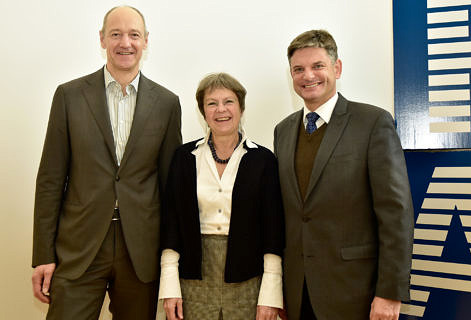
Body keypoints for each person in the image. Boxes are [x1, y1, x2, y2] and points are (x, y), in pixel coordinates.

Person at [31, 6, 182, 319]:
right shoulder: (69, 96)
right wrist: (43, 256)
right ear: (102, 39)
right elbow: (50, 180)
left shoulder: (167, 103)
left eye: (133, 34)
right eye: (116, 34)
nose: (125, 42)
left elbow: (170, 187)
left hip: (140, 251)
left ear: (146, 41)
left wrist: (171, 262)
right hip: (79, 247)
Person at [274, 29, 414, 320]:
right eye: (298, 69)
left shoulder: (372, 123)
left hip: (356, 293)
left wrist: (389, 293)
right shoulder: (283, 131)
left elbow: (395, 213)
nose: (307, 76)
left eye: (317, 66)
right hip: (299, 292)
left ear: (336, 68)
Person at [159, 73, 285, 320]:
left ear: (241, 107)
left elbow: (273, 232)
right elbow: (171, 226)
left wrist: (270, 295)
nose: (221, 110)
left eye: (229, 101)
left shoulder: (264, 160)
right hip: (193, 279)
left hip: (248, 280)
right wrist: (170, 287)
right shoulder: (184, 158)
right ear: (203, 112)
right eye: (212, 103)